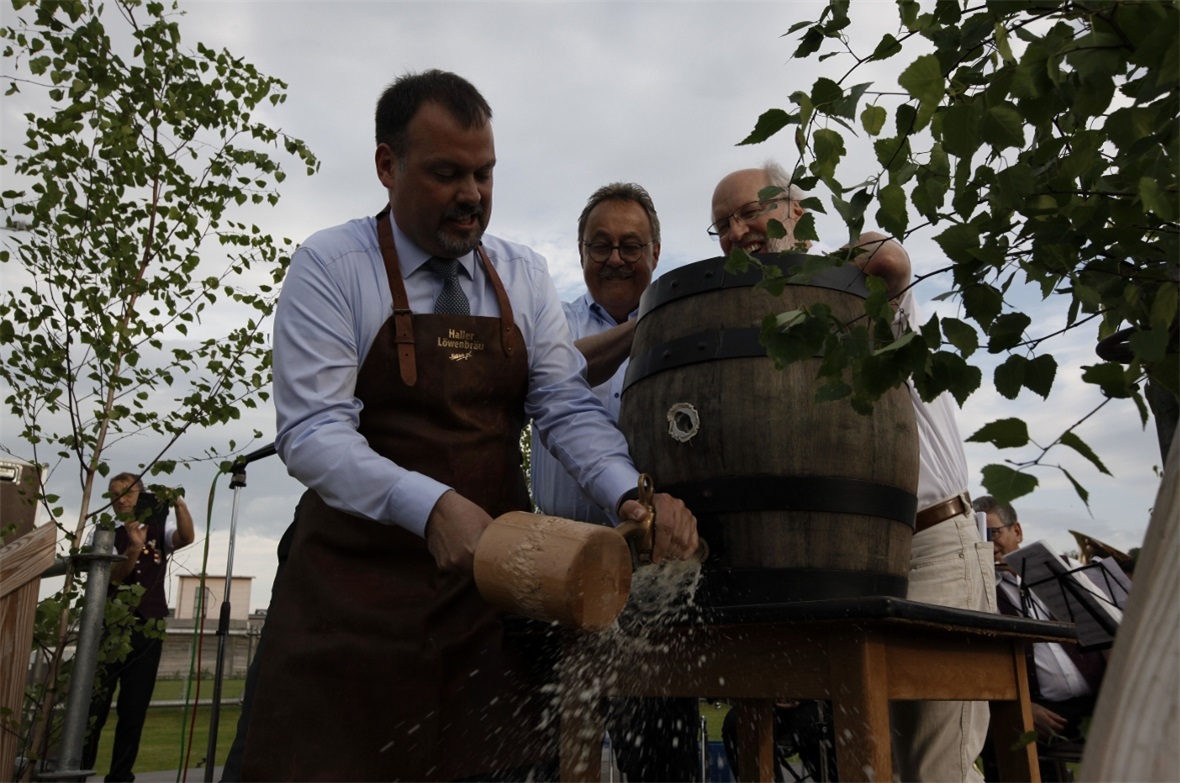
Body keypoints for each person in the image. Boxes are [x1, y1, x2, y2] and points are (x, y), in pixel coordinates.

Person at [239, 70, 699, 781]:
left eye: (484, 174)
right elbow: (313, 433)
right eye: (447, 173)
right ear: (387, 165)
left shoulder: (521, 274)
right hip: (352, 596)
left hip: (491, 601)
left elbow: (564, 402)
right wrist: (429, 506)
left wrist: (627, 493)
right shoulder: (331, 266)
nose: (473, 195)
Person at [710, 162, 996, 782]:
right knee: (872, 766)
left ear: (796, 211)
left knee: (937, 769)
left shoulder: (855, 291)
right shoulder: (769, 337)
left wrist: (808, 271)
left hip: (931, 545)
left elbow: (886, 254)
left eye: (750, 212)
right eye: (722, 225)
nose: (736, 231)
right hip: (850, 564)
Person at [529, 182, 700, 782]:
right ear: (580, 253)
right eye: (600, 245)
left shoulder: (687, 335)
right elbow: (555, 370)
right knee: (548, 756)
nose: (615, 259)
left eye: (631, 245)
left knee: (659, 759)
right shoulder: (554, 321)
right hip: (557, 567)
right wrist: (649, 321)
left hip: (647, 576)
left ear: (656, 252)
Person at [975, 495, 1107, 782]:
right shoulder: (979, 590)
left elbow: (1109, 630)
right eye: (978, 536)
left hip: (1100, 701)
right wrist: (1022, 708)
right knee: (1008, 738)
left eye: (993, 533)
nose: (987, 544)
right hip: (1038, 709)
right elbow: (981, 666)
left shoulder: (1063, 570)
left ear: (1017, 531)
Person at [82, 472, 195, 782]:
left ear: (142, 496)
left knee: (134, 709)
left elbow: (185, 538)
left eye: (128, 493)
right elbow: (113, 579)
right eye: (115, 494)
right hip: (111, 627)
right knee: (94, 707)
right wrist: (133, 549)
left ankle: (120, 776)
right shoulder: (103, 533)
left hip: (148, 627)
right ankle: (77, 772)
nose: (121, 500)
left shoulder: (159, 528)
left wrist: (178, 503)